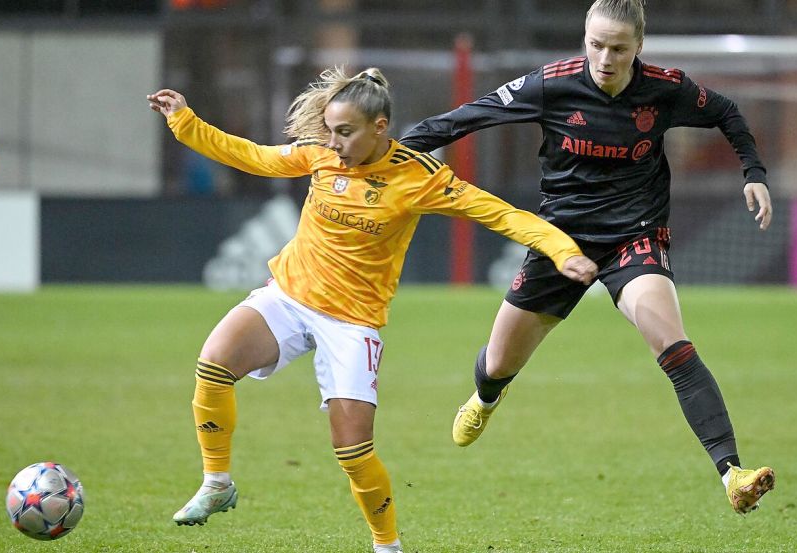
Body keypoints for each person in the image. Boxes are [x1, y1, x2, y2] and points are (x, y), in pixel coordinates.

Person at [147, 67, 598, 552]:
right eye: (331, 130)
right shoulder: (320, 156)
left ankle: (387, 546)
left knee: (352, 450)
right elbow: (252, 157)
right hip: (290, 295)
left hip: (351, 322)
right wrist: (184, 121)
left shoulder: (418, 178)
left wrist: (563, 250)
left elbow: (500, 213)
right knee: (213, 364)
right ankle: (217, 483)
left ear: (379, 127)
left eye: (345, 132)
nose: (334, 142)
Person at [401, 0, 775, 515]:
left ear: (638, 48)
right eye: (596, 44)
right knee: (496, 364)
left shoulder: (666, 89)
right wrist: (396, 152)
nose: (605, 57)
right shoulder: (551, 84)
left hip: (635, 234)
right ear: (584, 39)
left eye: (619, 48)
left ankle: (733, 473)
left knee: (674, 346)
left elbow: (727, 113)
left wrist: (753, 172)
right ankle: (486, 397)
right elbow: (468, 118)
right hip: (561, 241)